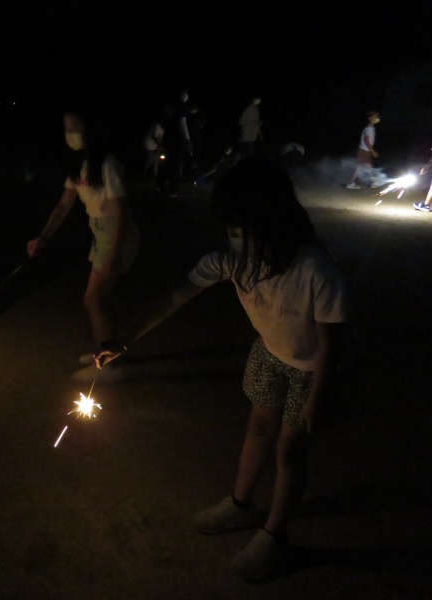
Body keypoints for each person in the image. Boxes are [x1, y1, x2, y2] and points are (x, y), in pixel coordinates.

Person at [96, 158, 349, 581]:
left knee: (290, 451)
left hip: (311, 370)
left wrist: (318, 397)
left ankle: (275, 536)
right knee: (258, 428)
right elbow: (174, 297)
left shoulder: (315, 270)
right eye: (228, 225)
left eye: (238, 224)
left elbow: (331, 341)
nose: (231, 234)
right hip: (269, 354)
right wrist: (124, 340)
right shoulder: (234, 261)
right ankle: (240, 504)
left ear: (271, 219)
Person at [27, 108, 140, 370]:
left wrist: (114, 254)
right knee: (103, 300)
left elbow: (121, 212)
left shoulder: (107, 165)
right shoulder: (77, 165)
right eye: (67, 128)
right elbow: (64, 204)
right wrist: (43, 237)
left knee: (93, 299)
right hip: (100, 232)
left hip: (116, 233)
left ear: (90, 128)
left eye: (76, 127)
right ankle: (106, 352)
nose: (71, 133)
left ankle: (106, 362)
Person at [346, 111, 381, 189]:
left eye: (377, 116)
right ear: (370, 118)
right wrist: (373, 151)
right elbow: (366, 141)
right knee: (361, 168)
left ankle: (371, 183)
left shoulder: (371, 128)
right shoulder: (368, 129)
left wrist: (370, 151)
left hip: (365, 151)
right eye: (375, 116)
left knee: (364, 167)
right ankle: (371, 183)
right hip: (364, 151)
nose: (377, 117)